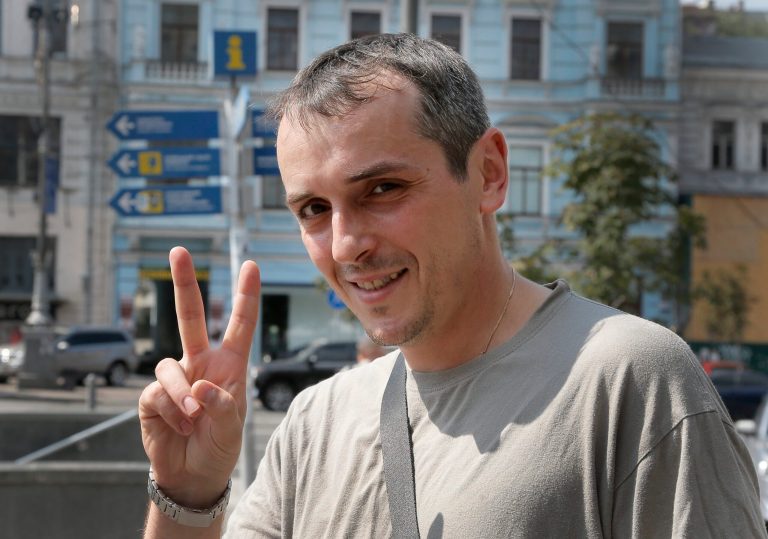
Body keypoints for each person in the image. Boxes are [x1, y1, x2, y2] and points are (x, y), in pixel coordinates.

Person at [139, 34, 765, 538]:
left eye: (383, 189)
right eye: (313, 210)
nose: (345, 244)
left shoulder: (630, 381)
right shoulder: (314, 422)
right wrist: (187, 495)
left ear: (489, 173)